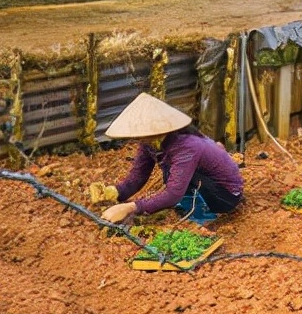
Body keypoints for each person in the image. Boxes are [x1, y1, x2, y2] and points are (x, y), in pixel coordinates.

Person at [90, 93, 244, 225]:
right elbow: (138, 177)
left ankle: (204, 215)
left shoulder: (186, 146)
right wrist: (115, 193)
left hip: (226, 196)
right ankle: (190, 206)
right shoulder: (150, 143)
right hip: (205, 185)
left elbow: (173, 194)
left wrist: (131, 207)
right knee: (170, 173)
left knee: (173, 174)